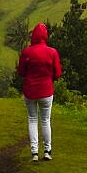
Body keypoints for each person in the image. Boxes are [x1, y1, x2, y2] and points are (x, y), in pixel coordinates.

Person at [17, 23, 62, 162]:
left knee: (32, 119)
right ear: (45, 36)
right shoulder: (52, 52)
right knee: (45, 120)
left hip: (30, 91)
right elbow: (58, 73)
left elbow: (21, 72)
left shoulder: (27, 52)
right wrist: (49, 78)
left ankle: (34, 152)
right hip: (46, 91)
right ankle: (47, 151)